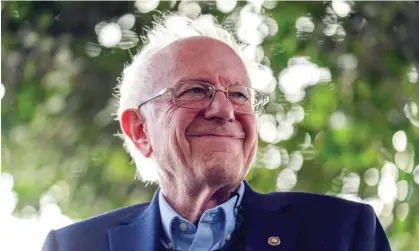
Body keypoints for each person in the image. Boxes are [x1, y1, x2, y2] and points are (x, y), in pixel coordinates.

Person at [42, 13, 392, 251]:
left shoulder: (344, 233)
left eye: (239, 95)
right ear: (140, 130)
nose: (225, 110)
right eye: (195, 90)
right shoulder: (73, 246)